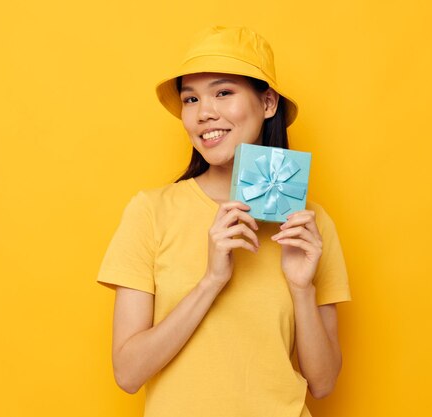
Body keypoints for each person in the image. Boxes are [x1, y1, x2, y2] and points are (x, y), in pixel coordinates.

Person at [97, 26, 351, 417]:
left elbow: (323, 382)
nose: (204, 113)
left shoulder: (310, 225)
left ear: (267, 103)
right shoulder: (150, 211)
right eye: (191, 98)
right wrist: (212, 280)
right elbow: (128, 373)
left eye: (223, 92)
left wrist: (301, 287)